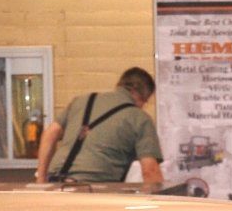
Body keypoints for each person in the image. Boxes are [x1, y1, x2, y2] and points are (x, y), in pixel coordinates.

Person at [33, 68, 163, 187]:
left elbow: (50, 133)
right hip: (94, 189)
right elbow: (150, 171)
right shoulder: (139, 117)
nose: (143, 106)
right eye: (145, 101)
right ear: (140, 95)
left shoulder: (81, 101)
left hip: (55, 184)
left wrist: (41, 179)